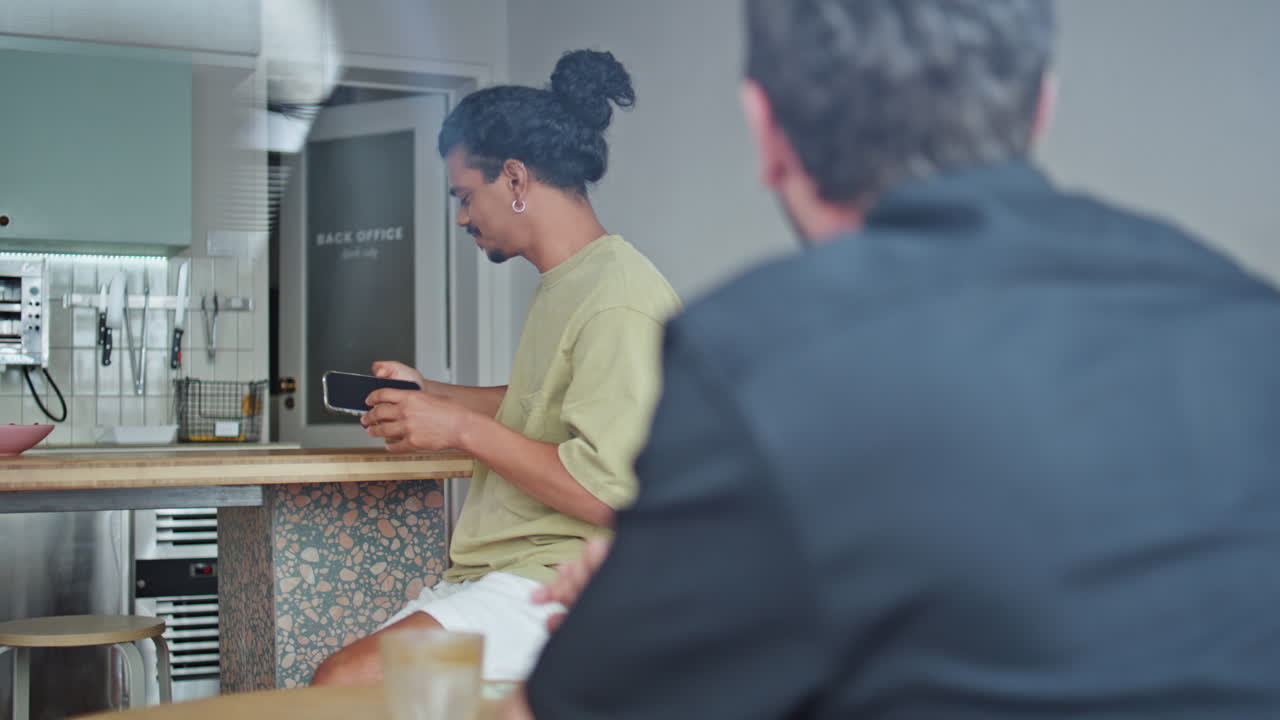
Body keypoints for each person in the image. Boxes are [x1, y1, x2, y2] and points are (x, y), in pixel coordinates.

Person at [503, 1, 1280, 718]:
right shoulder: (1251, 319)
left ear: (766, 131)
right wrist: (681, 577)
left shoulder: (753, 354)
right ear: (1040, 107)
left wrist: (644, 607)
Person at [310, 48, 682, 686]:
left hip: (565, 581)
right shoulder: (570, 282)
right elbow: (546, 404)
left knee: (346, 681)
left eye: (464, 196)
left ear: (514, 179)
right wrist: (431, 394)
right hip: (506, 572)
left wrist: (457, 430)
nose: (460, 216)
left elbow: (609, 493)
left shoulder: (618, 298)